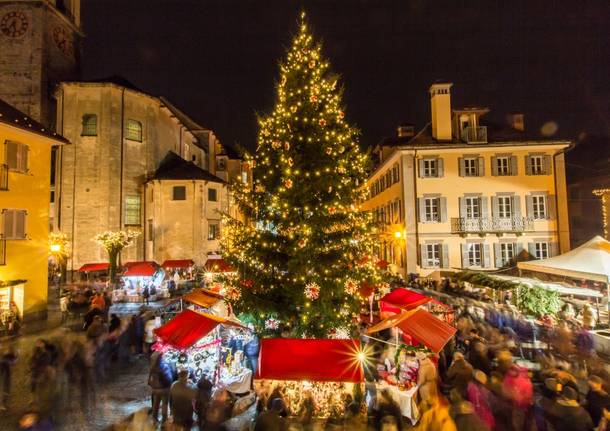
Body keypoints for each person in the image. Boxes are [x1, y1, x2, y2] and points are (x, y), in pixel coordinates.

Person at [148, 351, 173, 423]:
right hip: (164, 390)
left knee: (156, 403)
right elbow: (169, 379)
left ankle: (154, 418)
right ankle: (164, 420)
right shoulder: (164, 366)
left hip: (155, 390)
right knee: (165, 405)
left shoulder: (152, 367)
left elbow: (149, 380)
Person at [0, 342, 17, 410]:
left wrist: (14, 354)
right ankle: (2, 404)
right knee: (4, 389)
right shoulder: (4, 355)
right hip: (4, 375)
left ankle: (3, 404)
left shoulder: (7, 355)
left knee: (6, 389)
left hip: (6, 375)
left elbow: (14, 361)